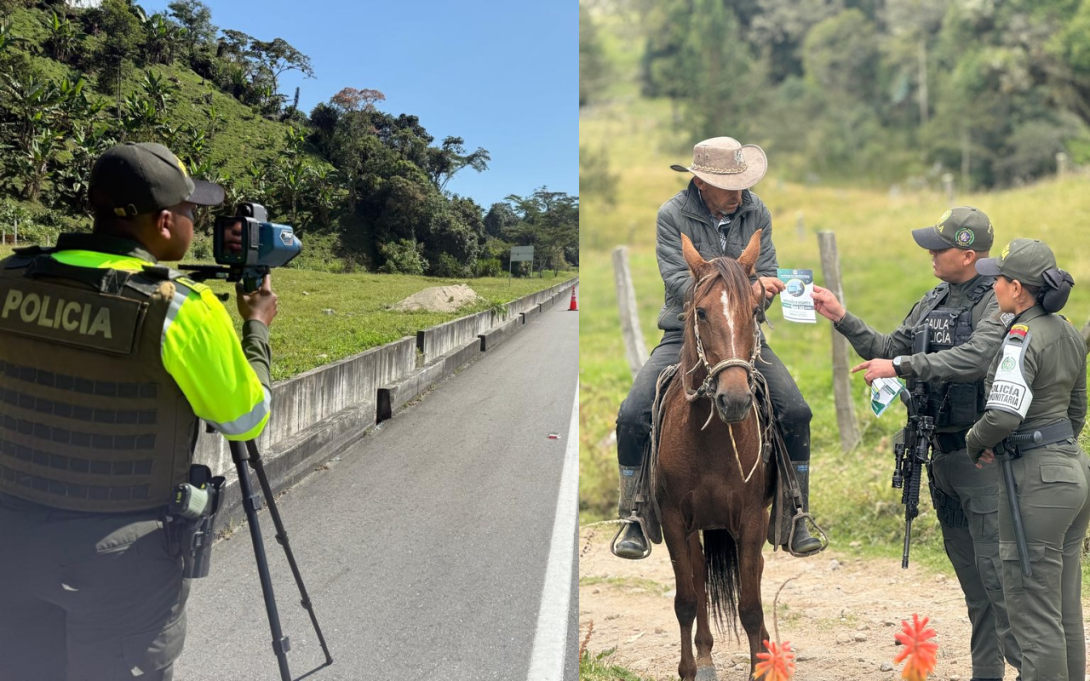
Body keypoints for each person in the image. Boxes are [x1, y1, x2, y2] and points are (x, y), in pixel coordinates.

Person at [0, 142, 278, 680]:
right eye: (194, 212)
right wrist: (257, 327)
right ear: (167, 222)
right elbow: (247, 419)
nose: (197, 223)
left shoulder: (11, 277)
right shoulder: (178, 309)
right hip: (119, 561)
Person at [810, 206, 1020, 681]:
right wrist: (842, 317)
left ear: (968, 255)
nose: (929, 252)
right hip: (939, 457)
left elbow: (975, 358)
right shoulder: (932, 300)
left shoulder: (996, 300)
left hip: (981, 457)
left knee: (999, 581)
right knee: (974, 584)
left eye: (939, 246)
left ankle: (1031, 669)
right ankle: (987, 673)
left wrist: (903, 368)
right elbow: (887, 348)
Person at [613, 136, 822, 559]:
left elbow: (764, 270)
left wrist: (763, 288)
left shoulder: (755, 209)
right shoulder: (672, 215)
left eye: (743, 184)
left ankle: (795, 513)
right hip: (688, 333)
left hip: (743, 337)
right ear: (702, 182)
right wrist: (741, 285)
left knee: (796, 410)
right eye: (730, 186)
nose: (739, 194)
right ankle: (633, 514)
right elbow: (677, 282)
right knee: (633, 413)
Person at [965, 239, 1088, 681]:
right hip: (1072, 471)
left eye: (998, 278)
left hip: (1035, 484)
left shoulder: (1021, 336)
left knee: (1033, 616)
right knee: (1063, 610)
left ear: (1017, 289)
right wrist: (1053, 451)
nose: (993, 284)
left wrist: (975, 441)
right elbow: (1077, 409)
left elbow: (1002, 415)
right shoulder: (1068, 331)